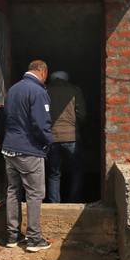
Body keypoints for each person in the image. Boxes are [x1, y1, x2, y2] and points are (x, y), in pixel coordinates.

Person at [1, 59, 53, 252]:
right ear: (42, 72)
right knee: (35, 193)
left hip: (9, 149)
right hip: (29, 150)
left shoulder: (13, 90)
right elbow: (41, 124)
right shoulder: (38, 91)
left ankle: (12, 236)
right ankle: (34, 239)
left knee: (13, 191)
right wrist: (48, 142)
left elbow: (7, 118)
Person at [45, 70, 86, 203]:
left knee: (54, 174)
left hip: (52, 137)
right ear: (66, 79)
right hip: (71, 136)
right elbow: (82, 114)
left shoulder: (45, 90)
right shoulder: (74, 90)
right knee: (76, 171)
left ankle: (54, 203)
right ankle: (74, 201)